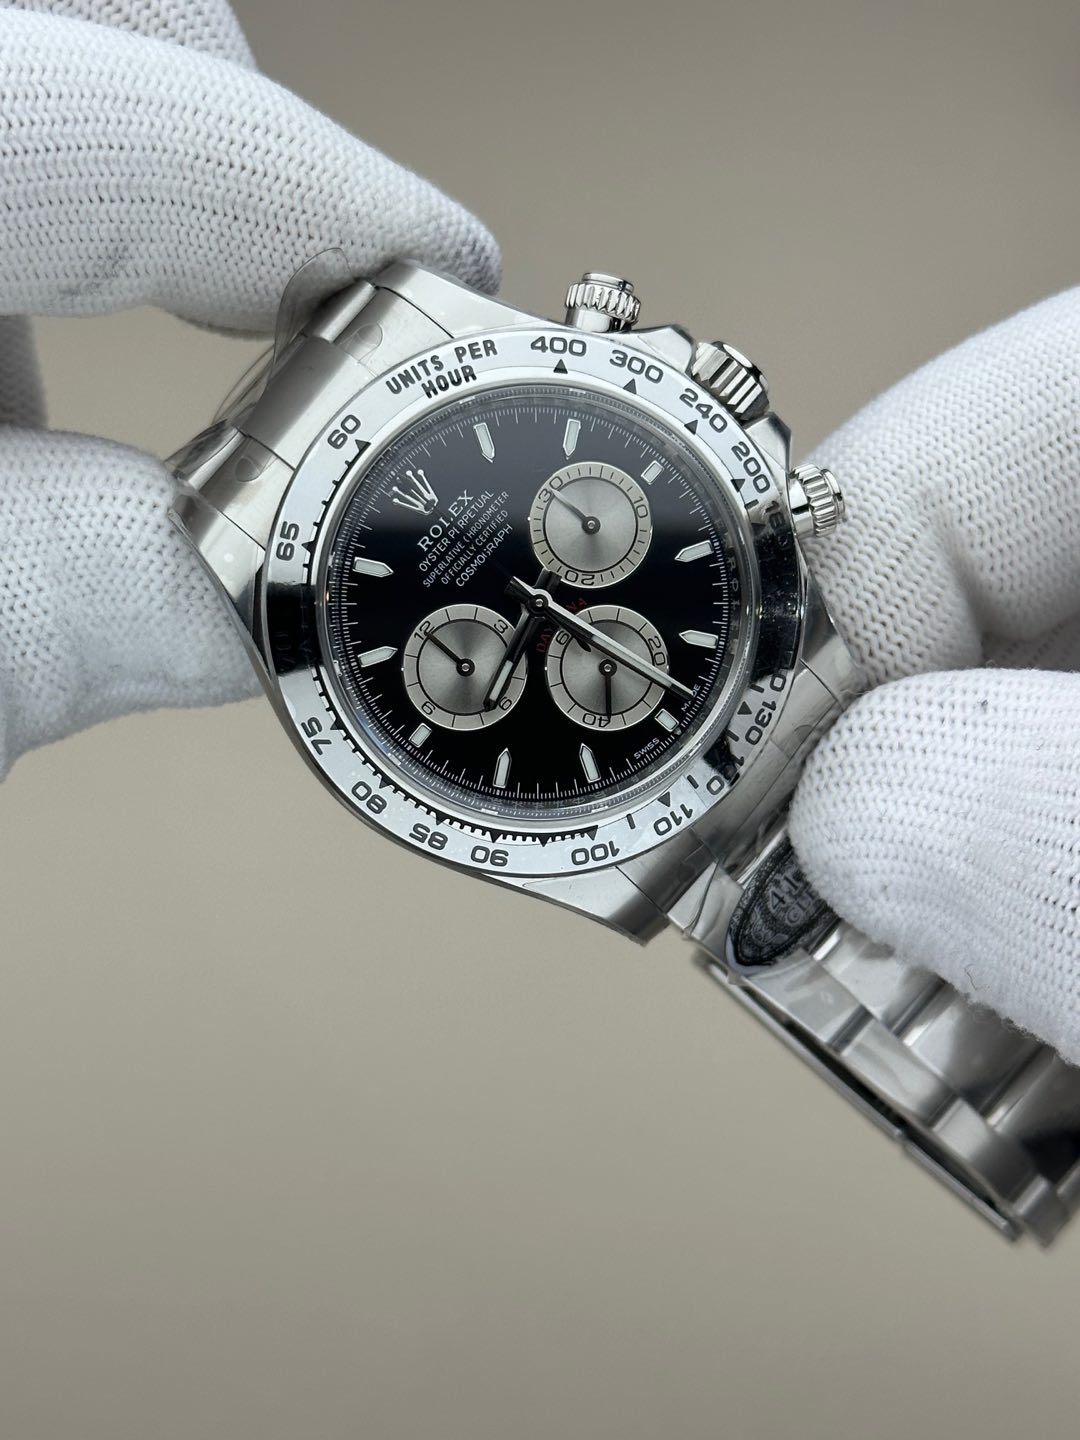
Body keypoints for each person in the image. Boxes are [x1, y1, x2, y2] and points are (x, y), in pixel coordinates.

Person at [2, 1, 1078, 1060]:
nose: (537, 596)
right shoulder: (250, 539)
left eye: (579, 531)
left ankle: (1017, 1114)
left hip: (765, 668)